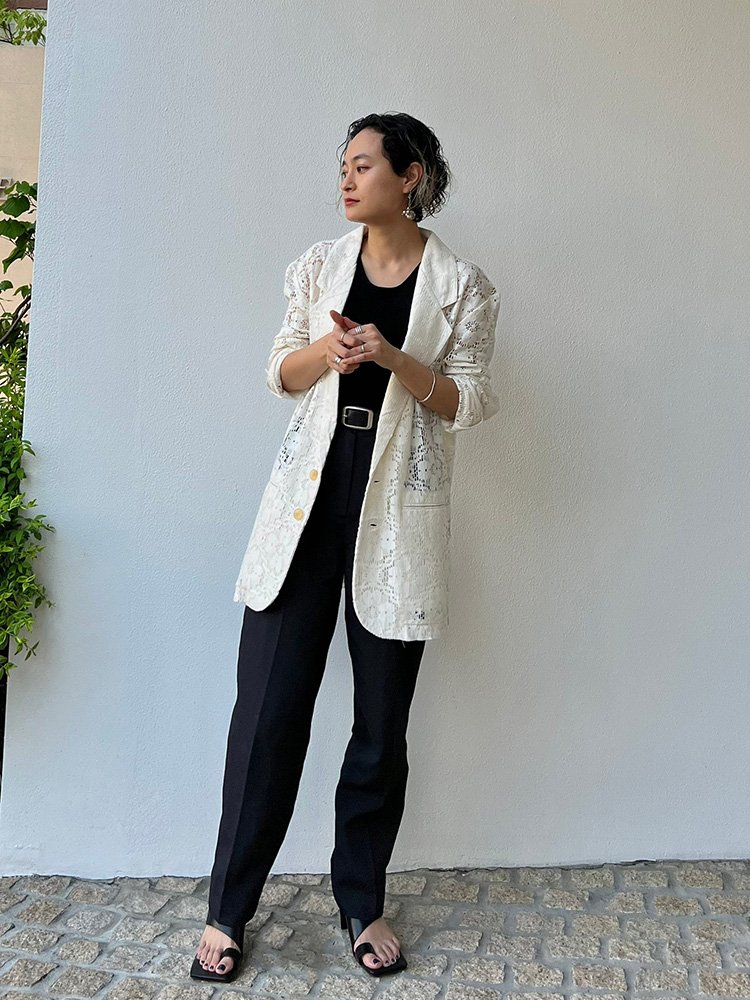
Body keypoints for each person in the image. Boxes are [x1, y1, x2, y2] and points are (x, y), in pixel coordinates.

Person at [191, 112, 501, 985]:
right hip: (307, 504)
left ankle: (362, 903)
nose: (347, 177)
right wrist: (326, 351)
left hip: (397, 509)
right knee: (265, 719)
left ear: (410, 176)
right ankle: (227, 911)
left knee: (379, 729)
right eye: (344, 164)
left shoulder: (463, 287)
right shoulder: (316, 266)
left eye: (364, 164)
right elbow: (278, 372)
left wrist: (394, 357)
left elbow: (470, 400)